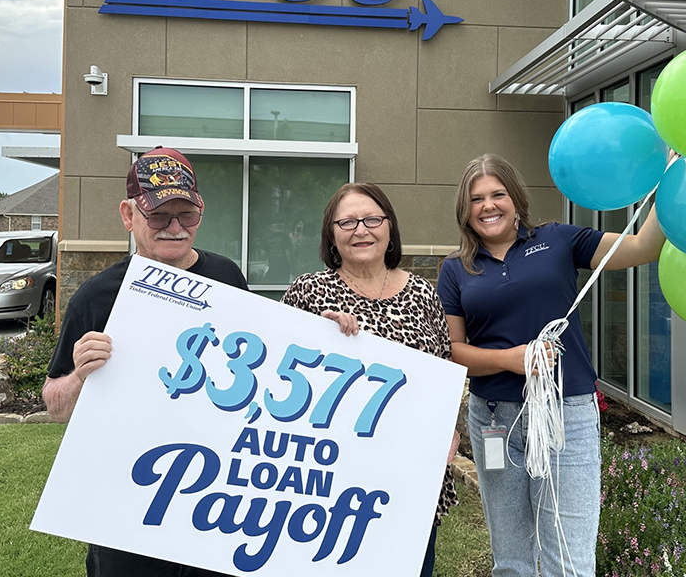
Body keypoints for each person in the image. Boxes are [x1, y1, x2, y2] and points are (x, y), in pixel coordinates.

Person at [436, 154, 665, 577]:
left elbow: (642, 247)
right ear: (464, 210)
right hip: (493, 422)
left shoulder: (558, 239)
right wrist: (513, 359)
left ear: (516, 198)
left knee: (569, 557)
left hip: (566, 416)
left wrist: (673, 179)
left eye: (497, 194)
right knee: (511, 559)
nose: (488, 205)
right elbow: (454, 350)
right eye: (476, 198)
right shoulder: (455, 269)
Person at [43, 146, 247, 577]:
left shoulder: (229, 279)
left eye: (185, 215)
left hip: (214, 499)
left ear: (201, 212)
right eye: (158, 216)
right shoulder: (96, 296)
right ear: (128, 214)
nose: (174, 228)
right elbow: (55, 405)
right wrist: (80, 377)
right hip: (127, 501)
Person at [280, 183, 459, 577]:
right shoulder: (309, 291)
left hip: (410, 474)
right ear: (331, 234)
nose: (361, 230)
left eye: (372, 219)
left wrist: (449, 431)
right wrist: (314, 336)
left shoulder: (424, 293)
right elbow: (278, 369)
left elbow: (443, 369)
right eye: (347, 222)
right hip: (333, 476)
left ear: (389, 228)